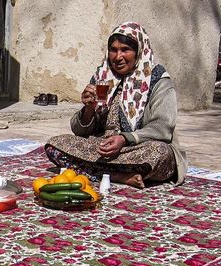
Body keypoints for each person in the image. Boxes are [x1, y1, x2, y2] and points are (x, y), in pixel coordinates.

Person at [44, 22, 187, 188]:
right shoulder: (103, 76)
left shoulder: (157, 79)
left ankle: (96, 172)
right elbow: (78, 131)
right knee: (55, 144)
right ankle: (118, 175)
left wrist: (125, 139)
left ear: (139, 51)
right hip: (101, 148)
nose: (118, 57)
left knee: (161, 153)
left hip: (136, 148)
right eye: (113, 50)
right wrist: (89, 109)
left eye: (125, 50)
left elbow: (163, 127)